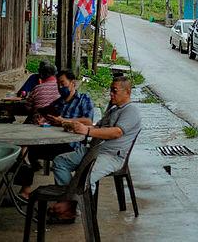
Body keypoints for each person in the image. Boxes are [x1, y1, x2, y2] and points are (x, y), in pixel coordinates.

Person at [48, 76, 142, 222]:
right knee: (60, 162)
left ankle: (72, 208)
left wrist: (87, 131)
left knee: (86, 176)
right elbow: (98, 127)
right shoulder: (113, 109)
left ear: (127, 92)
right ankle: (68, 201)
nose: (111, 94)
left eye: (114, 91)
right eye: (111, 90)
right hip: (94, 150)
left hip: (112, 156)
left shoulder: (131, 111)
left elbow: (116, 132)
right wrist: (74, 126)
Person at [17, 70, 94, 199]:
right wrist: (42, 120)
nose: (60, 87)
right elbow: (47, 115)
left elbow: (88, 121)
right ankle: (25, 190)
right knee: (26, 151)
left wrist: (64, 120)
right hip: (54, 141)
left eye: (62, 83)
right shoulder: (58, 102)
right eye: (58, 84)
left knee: (32, 152)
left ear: (72, 83)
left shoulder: (83, 100)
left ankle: (64, 196)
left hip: (72, 145)